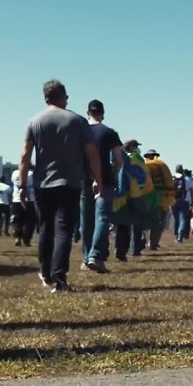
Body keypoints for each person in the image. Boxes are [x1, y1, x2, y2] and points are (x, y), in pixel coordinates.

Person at [18, 80, 103, 293]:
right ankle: (59, 276)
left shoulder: (34, 121)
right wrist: (98, 181)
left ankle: (45, 273)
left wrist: (22, 185)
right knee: (64, 229)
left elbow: (25, 155)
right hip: (69, 182)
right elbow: (92, 154)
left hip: (43, 183)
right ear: (63, 97)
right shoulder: (77, 121)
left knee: (45, 228)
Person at [81, 100, 124, 272]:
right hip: (105, 179)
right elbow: (119, 160)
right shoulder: (109, 133)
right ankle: (95, 255)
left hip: (84, 179)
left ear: (88, 113)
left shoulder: (80, 131)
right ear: (103, 114)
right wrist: (114, 176)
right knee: (102, 217)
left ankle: (86, 257)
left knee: (86, 220)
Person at [11, 167, 36, 247]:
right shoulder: (31, 174)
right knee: (30, 221)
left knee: (17, 220)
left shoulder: (15, 173)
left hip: (16, 199)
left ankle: (17, 237)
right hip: (30, 200)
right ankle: (26, 239)